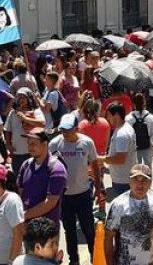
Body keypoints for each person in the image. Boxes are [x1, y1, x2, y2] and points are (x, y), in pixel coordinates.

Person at [49, 113, 102, 265]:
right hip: (64, 197)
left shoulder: (87, 143)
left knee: (88, 229)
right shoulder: (54, 144)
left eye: (68, 130)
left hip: (83, 194)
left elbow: (95, 165)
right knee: (69, 230)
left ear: (76, 128)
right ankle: (74, 260)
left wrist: (98, 189)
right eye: (62, 130)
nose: (64, 133)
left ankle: (94, 257)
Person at [105, 164, 153, 265]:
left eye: (144, 180)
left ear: (150, 182)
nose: (140, 184)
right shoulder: (118, 205)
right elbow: (108, 237)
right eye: (135, 180)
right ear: (129, 181)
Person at [18, 128, 68, 225]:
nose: (29, 147)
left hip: (46, 229)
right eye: (28, 143)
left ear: (45, 144)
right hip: (25, 225)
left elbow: (50, 202)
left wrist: (24, 215)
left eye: (33, 143)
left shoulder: (57, 169)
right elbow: (19, 192)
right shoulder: (26, 165)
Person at [99, 103, 137, 196]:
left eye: (108, 115)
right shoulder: (123, 128)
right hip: (124, 177)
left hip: (122, 180)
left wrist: (101, 159)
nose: (107, 118)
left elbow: (120, 159)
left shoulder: (122, 134)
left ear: (116, 115)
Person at [4, 88, 45, 174]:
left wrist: (25, 118)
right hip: (16, 151)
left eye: (24, 97)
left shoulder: (36, 111)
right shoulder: (13, 113)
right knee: (18, 176)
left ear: (29, 98)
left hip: (31, 152)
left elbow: (42, 123)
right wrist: (8, 144)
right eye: (19, 97)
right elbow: (7, 130)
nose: (21, 99)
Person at [125, 93, 153, 167]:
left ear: (133, 104)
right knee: (148, 168)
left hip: (134, 148)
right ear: (144, 103)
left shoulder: (128, 118)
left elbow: (127, 135)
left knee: (136, 169)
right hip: (147, 146)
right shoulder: (150, 117)